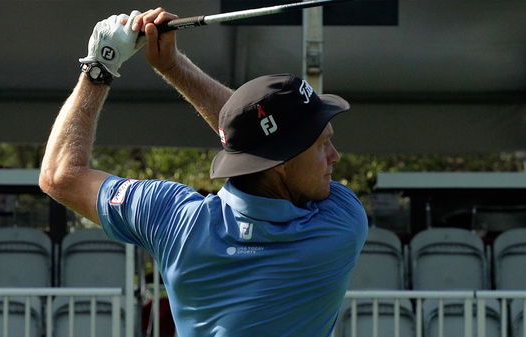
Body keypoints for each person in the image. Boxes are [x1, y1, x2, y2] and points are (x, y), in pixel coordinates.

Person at [39, 8, 368, 337]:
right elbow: (255, 143)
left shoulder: (172, 219)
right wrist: (173, 66)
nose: (335, 157)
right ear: (281, 161)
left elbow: (59, 175)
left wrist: (100, 66)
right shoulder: (339, 221)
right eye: (322, 145)